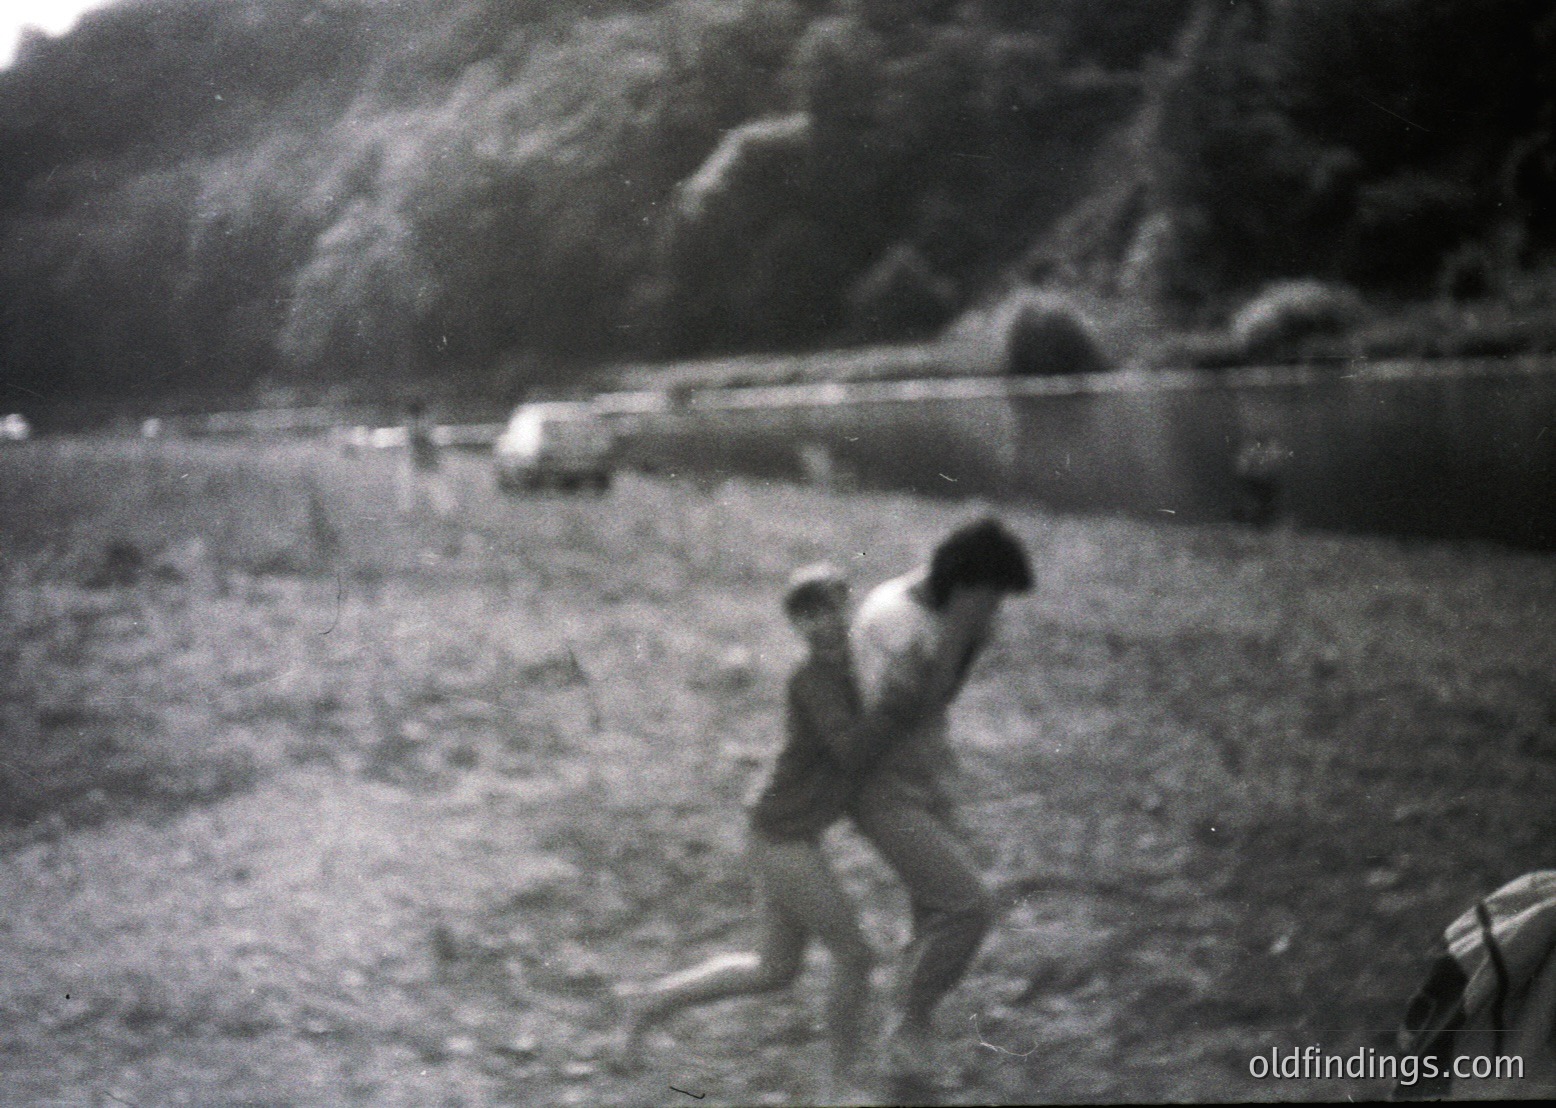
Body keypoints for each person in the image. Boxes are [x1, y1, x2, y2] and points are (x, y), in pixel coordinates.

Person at [615, 564, 926, 1094]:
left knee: (774, 969)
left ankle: (647, 1002)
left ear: (846, 608)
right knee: (855, 957)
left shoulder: (853, 667)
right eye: (808, 616)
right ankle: (839, 1087)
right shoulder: (813, 680)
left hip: (784, 831)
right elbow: (851, 750)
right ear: (797, 626)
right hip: (780, 836)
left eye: (831, 607)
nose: (823, 622)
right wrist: (898, 704)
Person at [847, 515, 1034, 1084]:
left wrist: (963, 635)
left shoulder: (968, 614)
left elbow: (941, 705)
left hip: (925, 771)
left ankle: (907, 1038)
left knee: (935, 909)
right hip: (875, 781)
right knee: (968, 908)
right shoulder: (889, 620)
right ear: (965, 585)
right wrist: (955, 637)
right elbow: (906, 716)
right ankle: (903, 1025)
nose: (997, 611)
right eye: (992, 596)